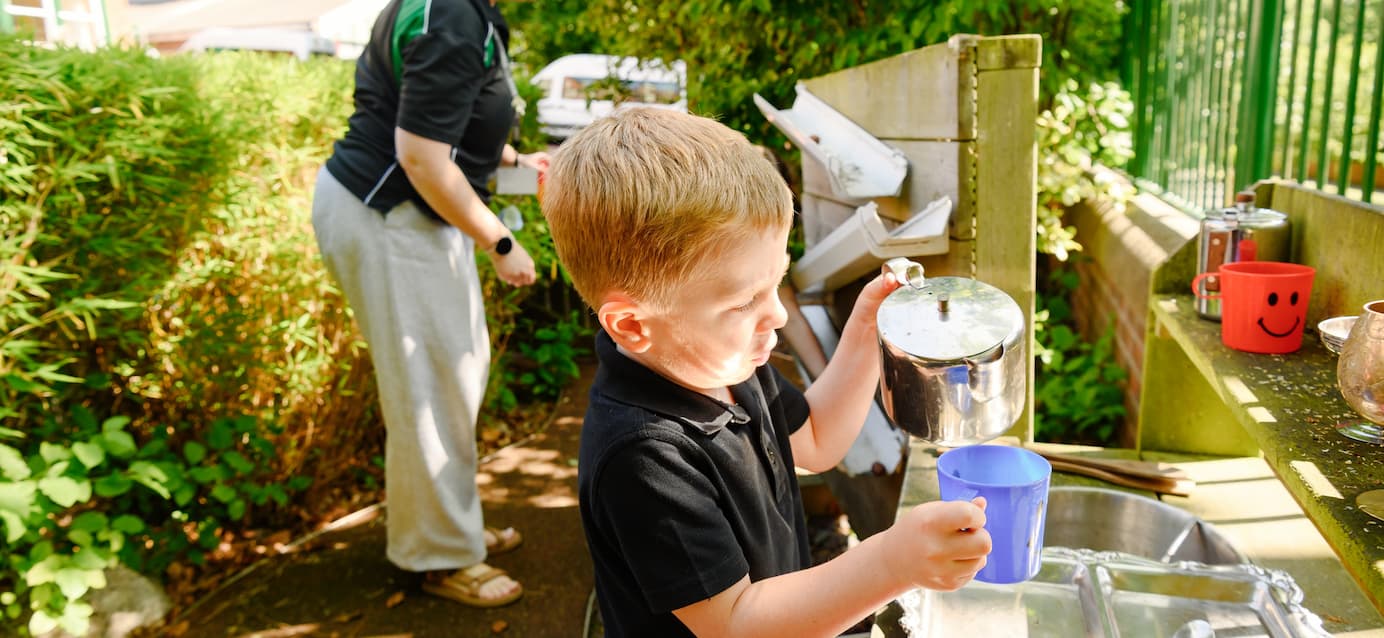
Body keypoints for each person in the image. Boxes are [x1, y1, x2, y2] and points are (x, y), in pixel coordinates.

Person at [542, 107, 992, 637]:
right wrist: (890, 563)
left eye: (775, 283)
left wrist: (869, 325)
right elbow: (736, 623)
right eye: (742, 302)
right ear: (633, 326)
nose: (777, 315)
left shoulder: (725, 366)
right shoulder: (644, 457)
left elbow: (819, 438)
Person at [310, 0, 543, 608]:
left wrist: (514, 159)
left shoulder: (460, 11)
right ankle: (440, 557)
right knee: (432, 388)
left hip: (412, 216)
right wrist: (501, 240)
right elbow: (419, 155)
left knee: (456, 375)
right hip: (390, 215)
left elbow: (446, 121)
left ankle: (451, 528)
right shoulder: (452, 18)